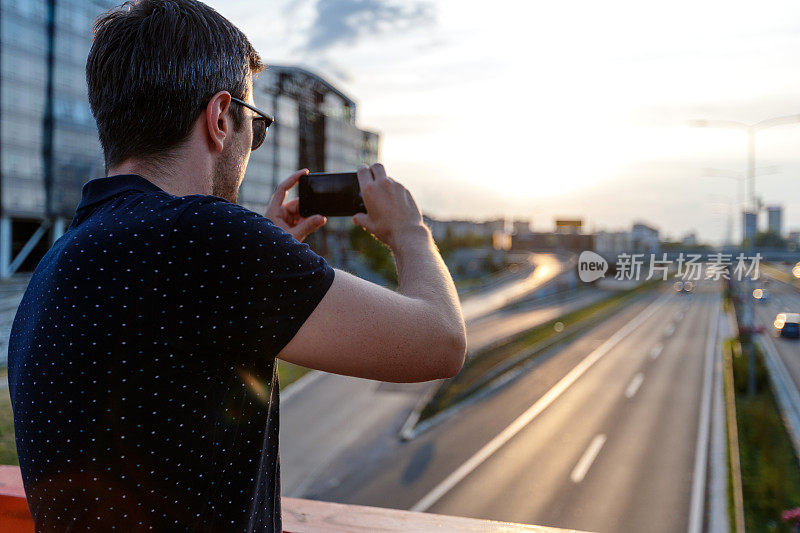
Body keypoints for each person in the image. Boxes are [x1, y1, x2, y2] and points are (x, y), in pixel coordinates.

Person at [6, 0, 466, 531]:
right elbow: (440, 341)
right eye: (257, 125)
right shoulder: (204, 239)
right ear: (220, 117)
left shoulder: (64, 255)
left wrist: (265, 261)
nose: (253, 143)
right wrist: (409, 231)